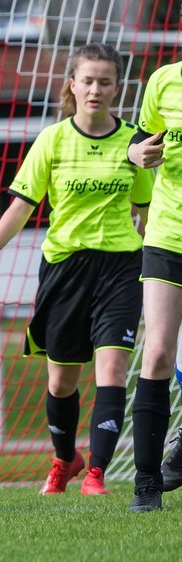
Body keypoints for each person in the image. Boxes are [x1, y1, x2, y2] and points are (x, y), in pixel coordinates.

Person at [0, 43, 152, 499]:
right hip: (65, 269)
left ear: (118, 88)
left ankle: (96, 473)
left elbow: (148, 212)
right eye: (87, 80)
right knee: (61, 379)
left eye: (105, 81)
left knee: (111, 368)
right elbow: (23, 204)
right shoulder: (52, 139)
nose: (95, 89)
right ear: (72, 85)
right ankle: (64, 458)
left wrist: (160, 260)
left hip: (120, 268)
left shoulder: (135, 141)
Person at [125, 57, 182, 511]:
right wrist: (134, 154)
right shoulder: (164, 80)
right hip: (166, 234)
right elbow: (140, 141)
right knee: (158, 350)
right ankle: (146, 485)